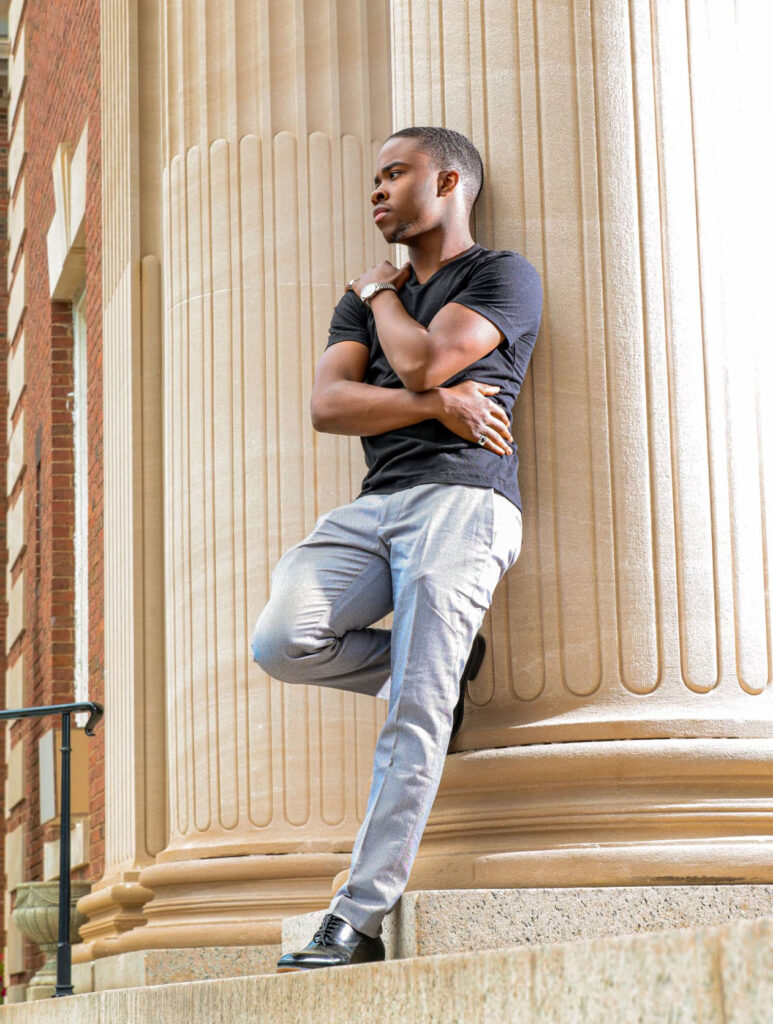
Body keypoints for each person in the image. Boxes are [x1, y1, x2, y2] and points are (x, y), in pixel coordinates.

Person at [251, 126, 542, 972]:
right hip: (377, 506)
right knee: (283, 638)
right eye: (373, 178)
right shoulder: (359, 300)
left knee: (414, 712)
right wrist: (439, 405)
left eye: (393, 174)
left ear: (447, 179)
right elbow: (330, 406)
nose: (375, 191)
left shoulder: (498, 275)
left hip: (461, 501)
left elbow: (420, 361)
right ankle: (443, 664)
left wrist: (384, 305)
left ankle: (357, 916)